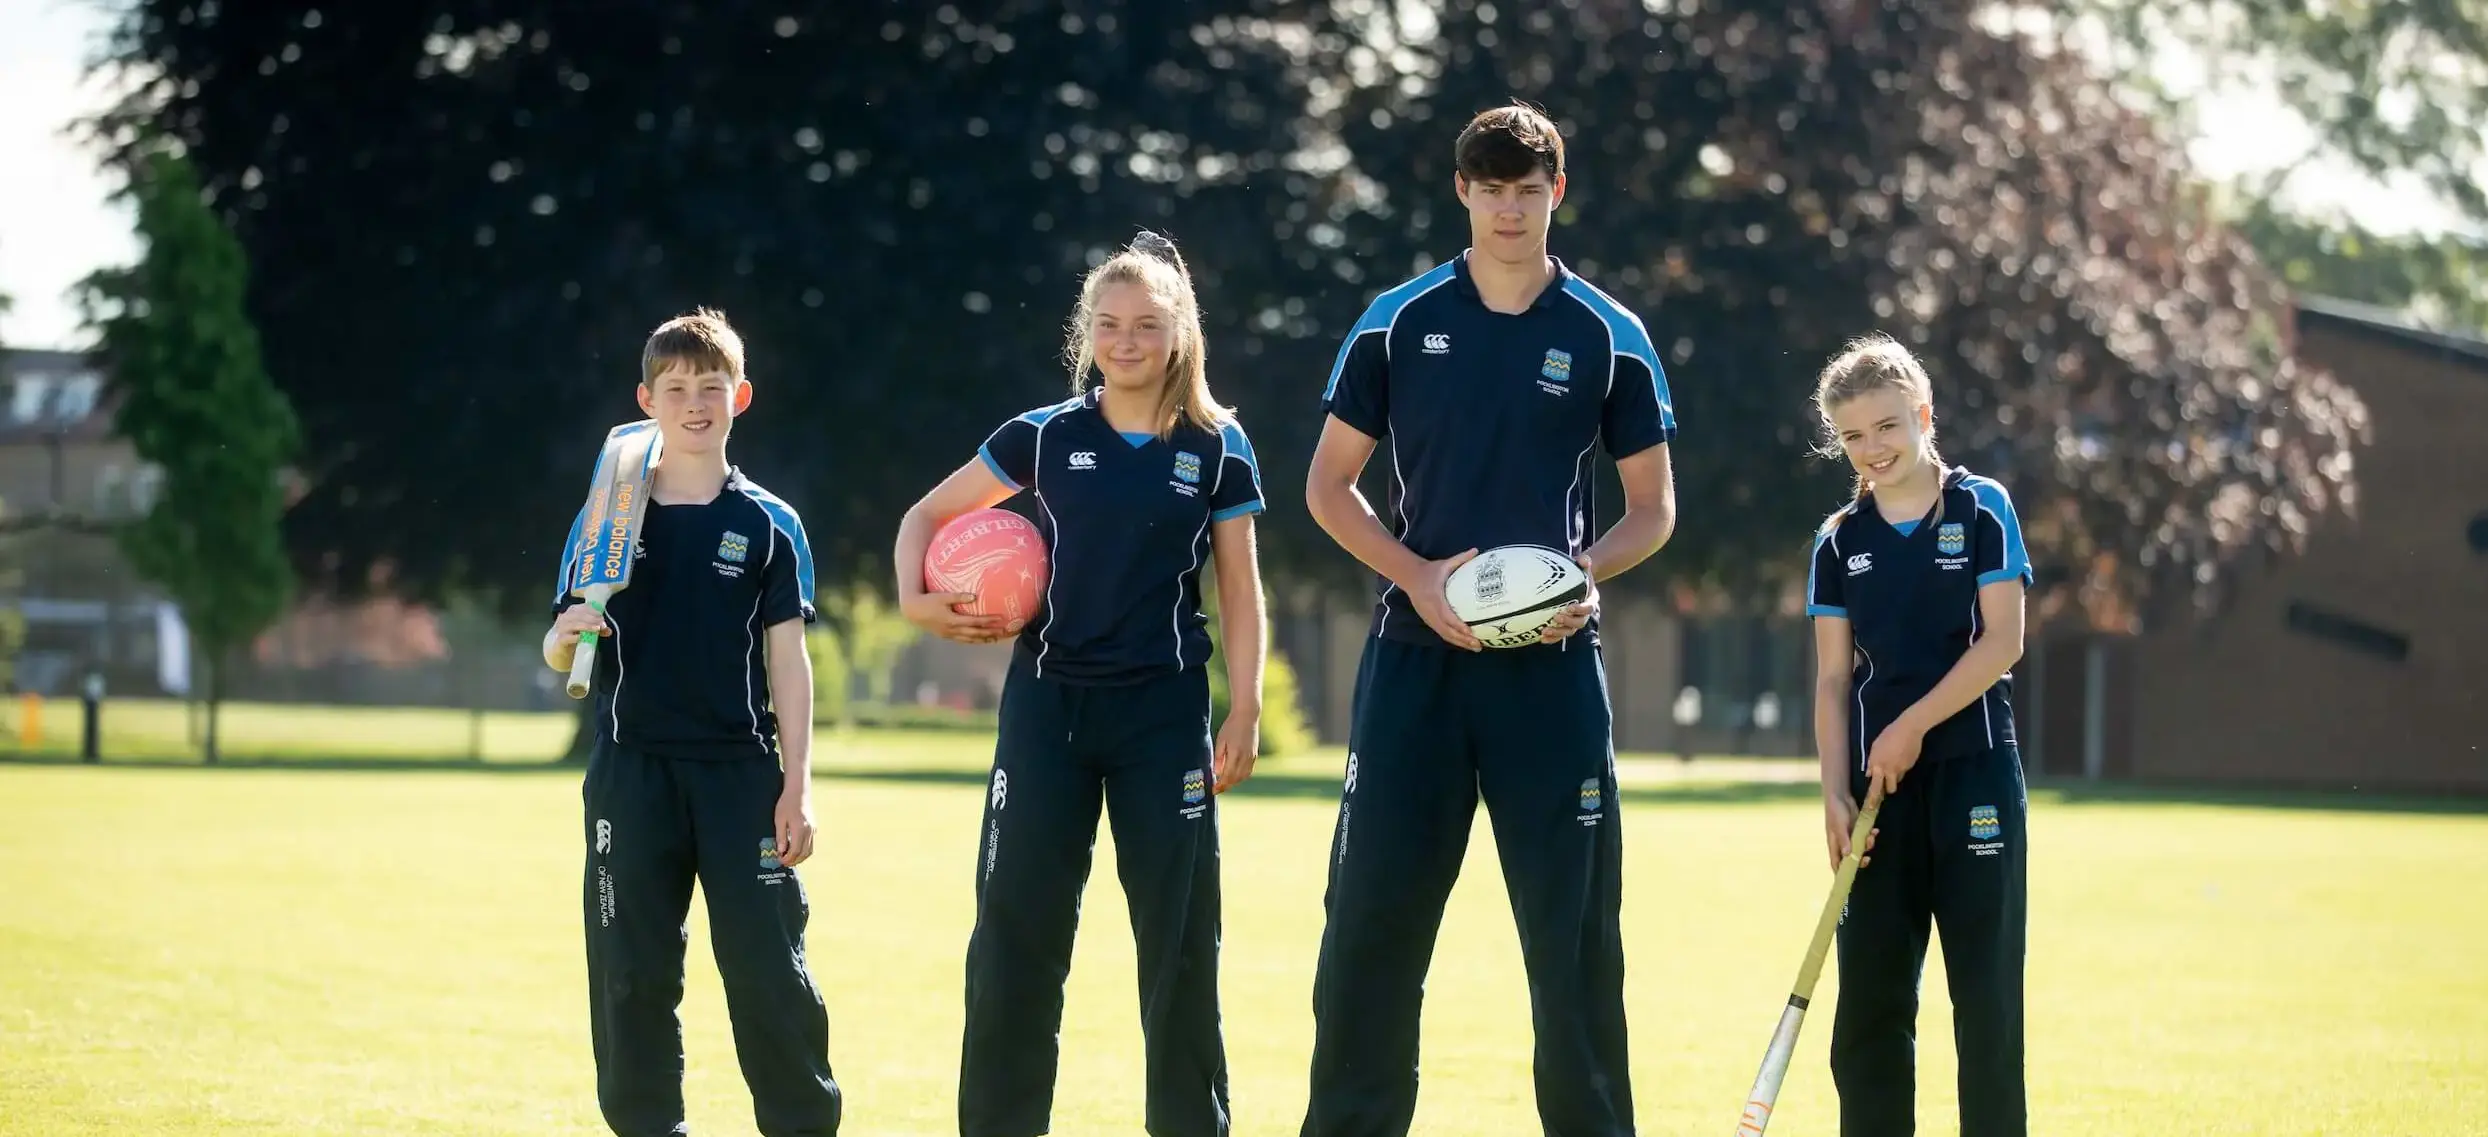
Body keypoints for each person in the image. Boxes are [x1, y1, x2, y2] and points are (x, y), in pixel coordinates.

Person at [1299, 102, 1677, 1137]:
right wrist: (1416, 578)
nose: (1509, 210)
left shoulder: (1608, 334)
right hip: (1414, 668)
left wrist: (1583, 575)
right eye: (1491, 190)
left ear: (1556, 193)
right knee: (1369, 932)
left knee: (1574, 943)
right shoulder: (1397, 320)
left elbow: (1652, 510)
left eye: (1528, 190)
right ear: (1461, 192)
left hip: (1552, 676)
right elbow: (1330, 489)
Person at [893, 230, 1269, 1137]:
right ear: (1086, 333)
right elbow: (925, 516)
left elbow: (1241, 589)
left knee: (1178, 947)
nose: (1126, 341)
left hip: (1164, 714)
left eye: (1146, 324)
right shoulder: (1043, 436)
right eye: (1108, 324)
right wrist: (917, 603)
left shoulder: (1217, 446)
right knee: (1016, 936)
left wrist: (1246, 705)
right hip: (1048, 709)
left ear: (1179, 334)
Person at [544, 308, 840, 1137]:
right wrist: (561, 634)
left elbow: (790, 663)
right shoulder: (605, 518)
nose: (695, 402)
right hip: (631, 771)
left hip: (741, 777)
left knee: (766, 972)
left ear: (740, 396)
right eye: (676, 388)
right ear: (647, 400)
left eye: (712, 386)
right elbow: (563, 634)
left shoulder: (770, 525)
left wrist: (798, 786)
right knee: (630, 973)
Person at [1802, 333, 2031, 1137]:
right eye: (1854, 436)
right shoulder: (1837, 541)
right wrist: (1833, 791)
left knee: (1988, 1005)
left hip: (1974, 776)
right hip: (1878, 797)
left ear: (1924, 414)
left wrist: (1910, 724)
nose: (1873, 449)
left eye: (1888, 426)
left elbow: (2002, 643)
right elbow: (1833, 680)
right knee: (1869, 1007)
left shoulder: (1983, 509)